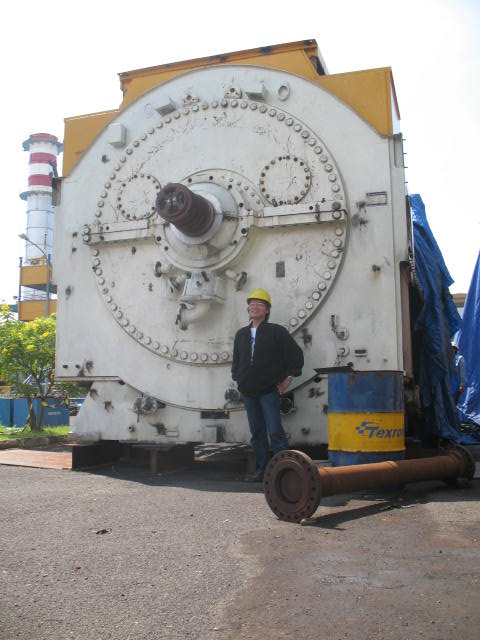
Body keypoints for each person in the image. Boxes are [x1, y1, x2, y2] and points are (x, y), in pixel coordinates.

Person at [231, 288, 304, 482]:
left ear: (267, 310)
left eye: (259, 304)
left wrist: (288, 379)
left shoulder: (276, 332)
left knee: (275, 431)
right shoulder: (241, 334)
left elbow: (296, 355)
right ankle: (263, 470)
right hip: (248, 391)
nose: (254, 307)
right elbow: (236, 361)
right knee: (257, 433)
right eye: (251, 304)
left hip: (268, 390)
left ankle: (284, 471)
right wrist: (239, 379)